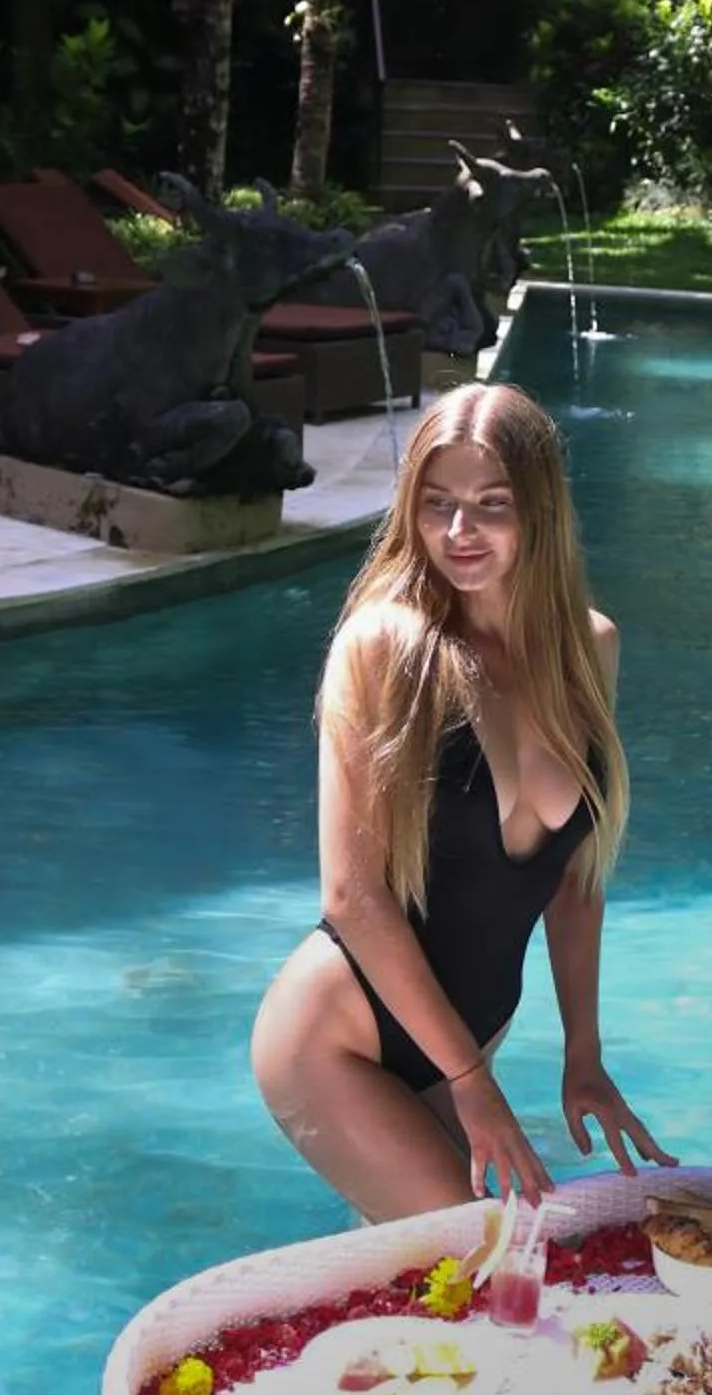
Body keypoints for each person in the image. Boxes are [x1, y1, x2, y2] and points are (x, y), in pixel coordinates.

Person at [251, 381, 673, 1219]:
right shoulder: (386, 645)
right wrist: (474, 1084)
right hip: (341, 1040)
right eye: (436, 504)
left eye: (491, 504)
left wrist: (581, 1057)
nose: (458, 532)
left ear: (540, 511)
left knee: (487, 1270)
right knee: (480, 1262)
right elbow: (352, 895)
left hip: (462, 1037)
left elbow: (575, 879)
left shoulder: (590, 649)